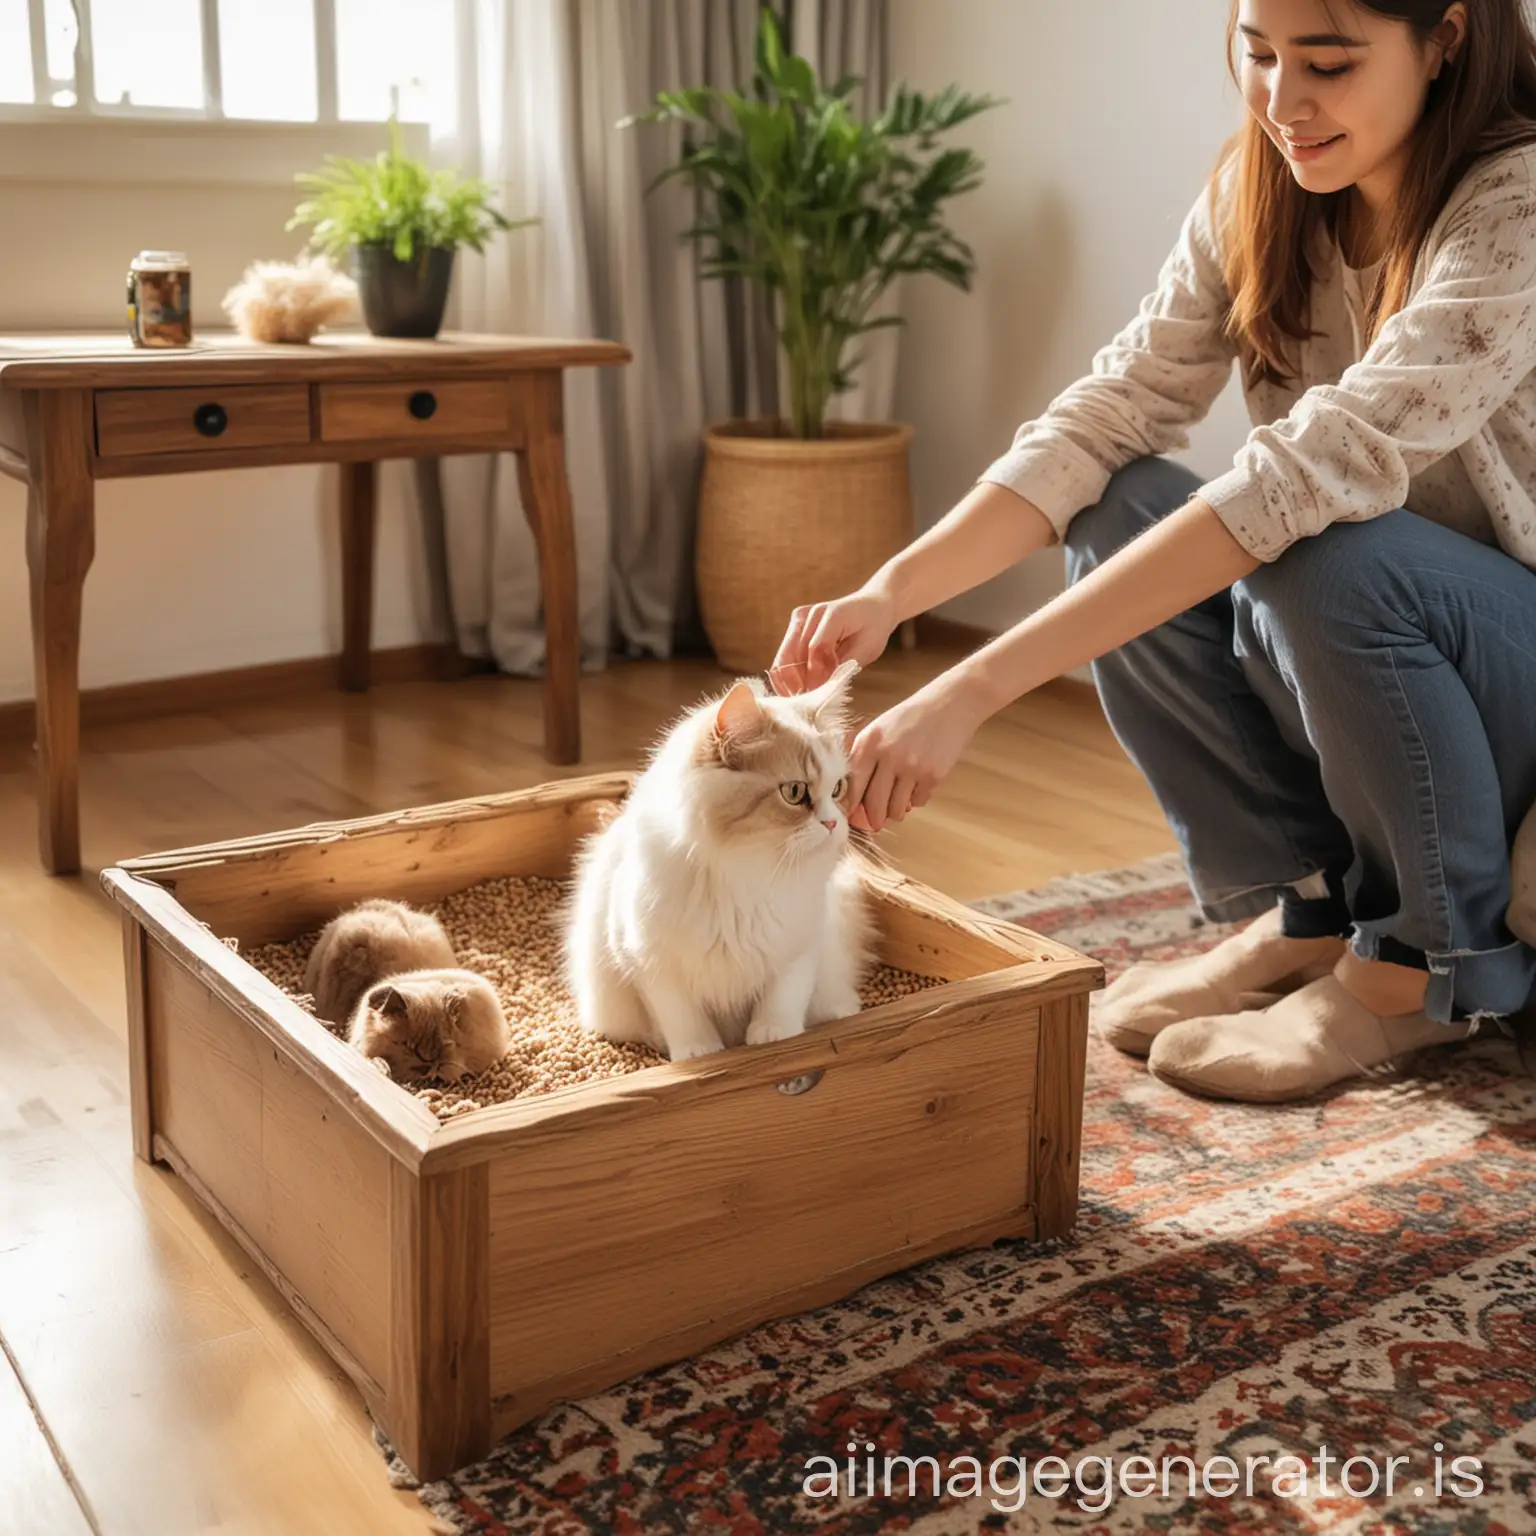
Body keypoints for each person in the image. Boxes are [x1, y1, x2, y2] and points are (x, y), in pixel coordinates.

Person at [770, 0, 1536, 1103]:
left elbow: (1305, 480)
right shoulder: (1259, 187)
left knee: (1325, 550)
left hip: (1512, 665)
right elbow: (1108, 417)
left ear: (1447, 36)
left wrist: (976, 685)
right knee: (1121, 504)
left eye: (1326, 62)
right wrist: (893, 595)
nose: (1280, 100)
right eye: (1258, 53)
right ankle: (1319, 915)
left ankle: (1417, 974)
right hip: (1399, 646)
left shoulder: (1513, 202)